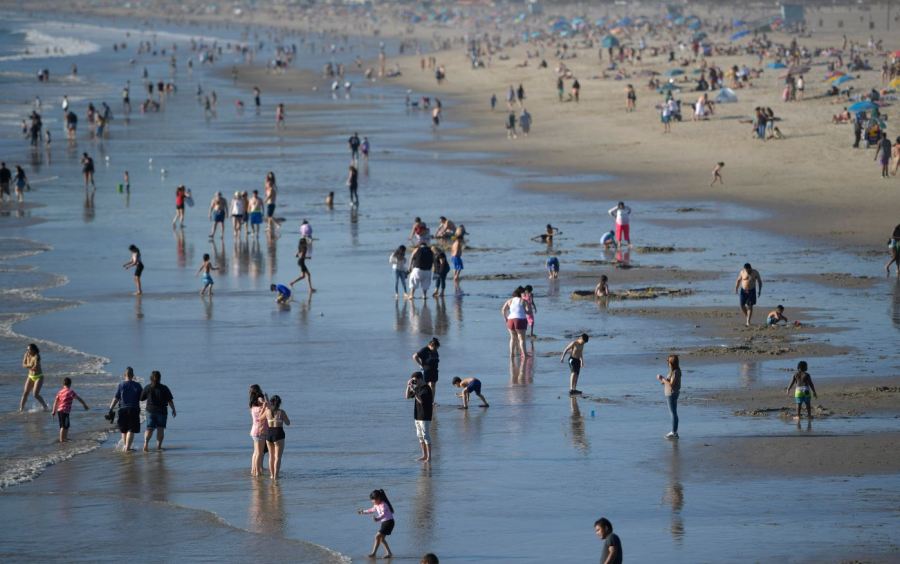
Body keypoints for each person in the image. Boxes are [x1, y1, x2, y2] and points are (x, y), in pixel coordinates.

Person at [108, 367, 143, 452]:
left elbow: (116, 398)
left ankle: (125, 446)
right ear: (133, 375)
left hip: (122, 409)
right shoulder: (137, 385)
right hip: (133, 409)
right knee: (131, 429)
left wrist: (110, 408)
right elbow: (142, 398)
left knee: (124, 430)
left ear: (124, 375)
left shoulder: (121, 385)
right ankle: (127, 448)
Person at [140, 370, 175, 451]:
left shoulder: (148, 387)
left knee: (149, 428)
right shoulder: (164, 388)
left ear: (151, 378)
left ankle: (146, 444)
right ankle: (158, 447)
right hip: (162, 411)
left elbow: (141, 398)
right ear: (160, 378)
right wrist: (173, 409)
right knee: (160, 429)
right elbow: (170, 400)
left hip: (150, 411)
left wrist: (148, 396)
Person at [357, 489, 395, 558]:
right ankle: (388, 553)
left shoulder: (384, 504)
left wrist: (377, 519)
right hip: (384, 522)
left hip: (389, 522)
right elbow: (371, 510)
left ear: (378, 498)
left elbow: (383, 514)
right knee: (381, 539)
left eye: (373, 499)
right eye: (371, 500)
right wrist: (363, 512)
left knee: (377, 536)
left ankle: (374, 553)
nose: (372, 501)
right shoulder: (376, 505)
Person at [50, 377, 89, 442]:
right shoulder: (70, 391)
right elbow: (78, 398)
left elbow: (56, 401)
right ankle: (61, 440)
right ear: (70, 384)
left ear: (63, 384)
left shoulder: (60, 392)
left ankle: (65, 438)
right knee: (63, 426)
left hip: (60, 411)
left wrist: (53, 411)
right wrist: (84, 405)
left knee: (66, 425)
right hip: (65, 411)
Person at [406, 371, 433, 462]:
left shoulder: (426, 389)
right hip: (417, 415)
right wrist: (408, 386)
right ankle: (424, 455)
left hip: (425, 416)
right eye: (413, 381)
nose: (414, 382)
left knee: (426, 436)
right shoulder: (417, 388)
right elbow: (407, 396)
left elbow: (421, 401)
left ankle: (429, 457)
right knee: (420, 436)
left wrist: (414, 390)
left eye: (415, 380)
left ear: (420, 379)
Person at [263, 394, 290, 479]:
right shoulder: (281, 412)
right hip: (279, 434)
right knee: (278, 457)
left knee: (271, 456)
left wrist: (265, 407)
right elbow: (288, 423)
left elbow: (260, 419)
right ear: (279, 403)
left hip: (269, 434)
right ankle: (276, 476)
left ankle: (271, 475)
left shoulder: (267, 411)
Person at [501, 287, 532, 357]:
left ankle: (511, 354)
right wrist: (527, 308)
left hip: (510, 320)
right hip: (520, 320)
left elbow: (503, 310)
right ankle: (525, 354)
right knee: (521, 339)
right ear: (520, 293)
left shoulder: (509, 300)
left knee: (512, 338)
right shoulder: (523, 301)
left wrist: (505, 318)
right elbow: (529, 312)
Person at [656, 354, 682, 439]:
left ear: (671, 363)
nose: (667, 362)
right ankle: (674, 432)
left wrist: (662, 379)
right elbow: (668, 382)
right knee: (673, 412)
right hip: (670, 393)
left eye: (668, 361)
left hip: (671, 393)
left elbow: (671, 384)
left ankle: (674, 432)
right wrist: (663, 380)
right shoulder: (673, 371)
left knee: (673, 413)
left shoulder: (676, 372)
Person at [19, 343, 48, 411]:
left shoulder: (37, 356)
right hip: (30, 376)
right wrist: (29, 365)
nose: (28, 351)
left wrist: (28, 365)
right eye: (27, 349)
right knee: (25, 392)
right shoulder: (26, 354)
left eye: (29, 350)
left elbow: (35, 367)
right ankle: (21, 409)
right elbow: (23, 364)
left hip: (38, 376)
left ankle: (45, 407)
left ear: (34, 350)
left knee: (35, 394)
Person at [249, 385, 268, 476]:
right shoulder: (260, 408)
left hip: (254, 431)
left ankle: (253, 470)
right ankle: (257, 472)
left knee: (256, 452)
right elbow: (266, 405)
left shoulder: (252, 407)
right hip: (260, 431)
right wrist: (265, 401)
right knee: (260, 453)